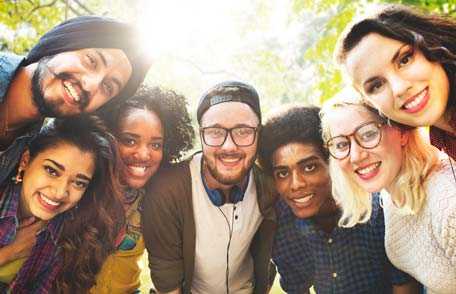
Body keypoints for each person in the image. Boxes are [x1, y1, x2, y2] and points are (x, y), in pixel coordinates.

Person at [258, 105, 418, 293]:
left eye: (309, 167)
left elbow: (405, 286)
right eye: (283, 173)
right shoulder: (283, 223)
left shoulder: (378, 210)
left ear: (333, 162)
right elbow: (296, 288)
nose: (296, 184)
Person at [141, 81, 277, 294]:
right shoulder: (168, 191)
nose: (229, 146)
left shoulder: (270, 185)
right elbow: (167, 284)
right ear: (201, 134)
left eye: (243, 131)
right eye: (215, 132)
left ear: (259, 133)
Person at [320, 96, 456, 293]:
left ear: (401, 132)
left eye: (368, 134)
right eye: (341, 144)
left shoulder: (447, 202)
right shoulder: (389, 195)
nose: (356, 156)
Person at [0, 15, 151, 185]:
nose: (91, 86)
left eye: (108, 87)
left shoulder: (31, 145)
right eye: (91, 61)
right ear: (59, 45)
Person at [0, 115, 124, 293]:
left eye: (79, 183)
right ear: (26, 161)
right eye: (52, 171)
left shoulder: (68, 236)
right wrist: (9, 253)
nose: (60, 192)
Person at [91, 85, 194, 293]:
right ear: (107, 136)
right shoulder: (82, 186)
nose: (144, 154)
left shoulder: (157, 196)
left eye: (155, 145)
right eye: (130, 140)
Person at [334, 4, 456, 159]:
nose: (399, 88)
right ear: (370, 103)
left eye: (404, 60)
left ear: (432, 44)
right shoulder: (440, 139)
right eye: (377, 85)